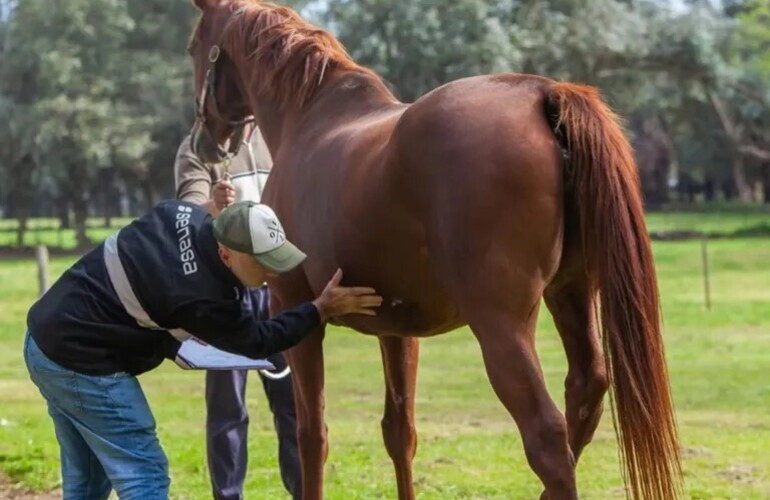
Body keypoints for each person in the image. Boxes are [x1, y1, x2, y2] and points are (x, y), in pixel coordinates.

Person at [24, 199, 382, 499]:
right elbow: (260, 341)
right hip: (79, 359)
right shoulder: (205, 297)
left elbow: (161, 264)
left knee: (88, 480)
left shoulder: (181, 212)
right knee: (144, 473)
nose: (273, 273)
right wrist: (320, 309)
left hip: (44, 340)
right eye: (263, 263)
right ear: (226, 254)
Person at [174, 126, 301, 499]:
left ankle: (305, 491)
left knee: (294, 405)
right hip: (226, 295)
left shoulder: (279, 136)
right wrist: (213, 205)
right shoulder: (198, 147)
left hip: (279, 289)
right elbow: (186, 214)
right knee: (228, 411)